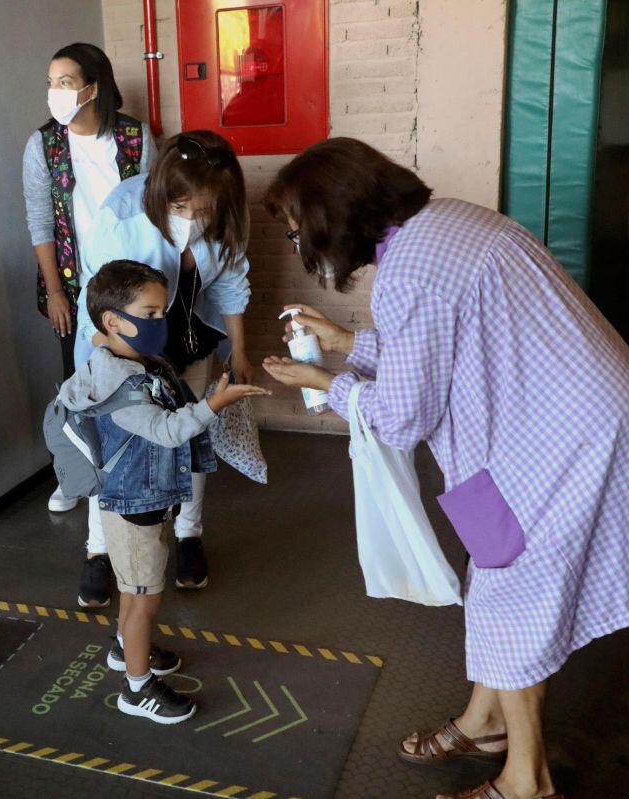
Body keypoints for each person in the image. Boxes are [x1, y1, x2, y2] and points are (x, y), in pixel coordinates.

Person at [262, 137, 627, 799]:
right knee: (494, 572)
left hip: (558, 435)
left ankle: (527, 780)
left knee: (507, 591)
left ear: (330, 219)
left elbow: (403, 414)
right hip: (547, 420)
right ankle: (486, 722)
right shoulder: (445, 225)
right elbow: (440, 348)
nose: (298, 244)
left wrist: (326, 379)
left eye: (296, 231)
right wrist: (348, 344)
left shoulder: (410, 273)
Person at [59, 260, 265, 723]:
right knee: (142, 598)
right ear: (114, 322)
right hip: (133, 506)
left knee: (139, 592)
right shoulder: (123, 384)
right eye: (150, 315)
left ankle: (124, 648)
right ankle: (137, 690)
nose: (162, 323)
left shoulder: (120, 355)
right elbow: (167, 431)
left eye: (162, 312)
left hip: (144, 498)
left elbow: (99, 344)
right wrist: (216, 403)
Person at [74, 130, 252, 606]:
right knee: (112, 451)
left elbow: (232, 283)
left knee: (192, 438)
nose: (193, 218)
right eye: (181, 206)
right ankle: (97, 549)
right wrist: (122, 372)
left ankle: (188, 535)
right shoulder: (122, 214)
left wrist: (240, 350)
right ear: (160, 190)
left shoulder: (227, 214)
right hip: (124, 348)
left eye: (204, 209)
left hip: (189, 341)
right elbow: (103, 307)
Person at [22, 42, 156, 515]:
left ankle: (137, 467)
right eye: (50, 83)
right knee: (77, 384)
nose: (54, 92)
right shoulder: (44, 145)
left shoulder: (135, 139)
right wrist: (56, 291)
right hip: (74, 287)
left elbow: (153, 212)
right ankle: (76, 476)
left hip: (133, 285)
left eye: (65, 82)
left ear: (93, 88)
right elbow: (40, 222)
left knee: (135, 377)